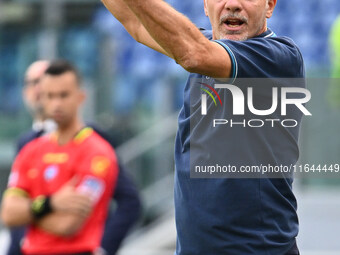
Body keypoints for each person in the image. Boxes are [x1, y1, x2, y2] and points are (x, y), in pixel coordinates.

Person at [102, 0, 304, 254]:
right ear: (206, 6)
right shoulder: (208, 47)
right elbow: (137, 25)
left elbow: (193, 54)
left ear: (270, 6)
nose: (233, 4)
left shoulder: (277, 57)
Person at [6, 60, 141, 255]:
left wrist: (104, 249)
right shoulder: (29, 147)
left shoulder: (96, 147)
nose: (56, 102)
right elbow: (9, 214)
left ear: (80, 96)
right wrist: (50, 203)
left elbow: (68, 223)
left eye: (63, 94)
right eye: (32, 83)